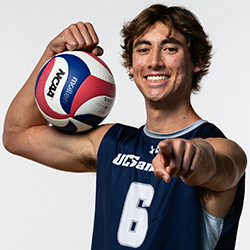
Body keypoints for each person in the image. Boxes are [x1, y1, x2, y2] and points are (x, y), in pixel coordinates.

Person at [3, 4, 247, 250]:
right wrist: (53, 57)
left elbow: (221, 166)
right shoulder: (112, 143)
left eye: (170, 48)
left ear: (197, 61)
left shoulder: (218, 146)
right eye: (143, 49)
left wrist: (192, 156)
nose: (154, 61)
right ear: (131, 65)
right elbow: (16, 134)